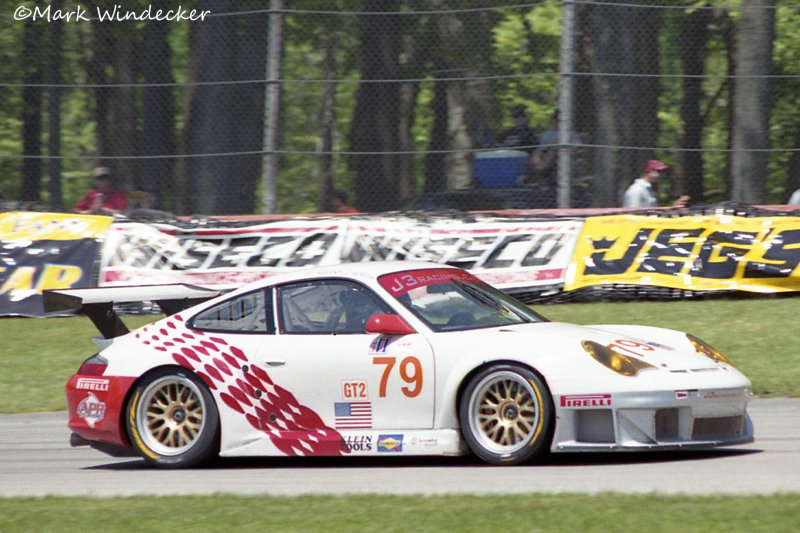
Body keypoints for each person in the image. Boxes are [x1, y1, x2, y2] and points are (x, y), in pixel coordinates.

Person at [623, 159, 689, 208]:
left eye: (661, 172)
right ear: (649, 171)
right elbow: (631, 213)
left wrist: (673, 208)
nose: (660, 175)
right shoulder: (636, 190)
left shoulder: (648, 189)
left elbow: (654, 210)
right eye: (658, 172)